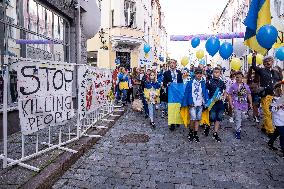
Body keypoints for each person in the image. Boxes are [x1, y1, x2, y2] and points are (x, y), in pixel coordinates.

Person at [252, 54, 283, 137]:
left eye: (269, 60)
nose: (267, 62)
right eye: (265, 61)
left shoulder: (275, 72)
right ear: (263, 63)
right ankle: (270, 131)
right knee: (267, 113)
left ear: (272, 62)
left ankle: (264, 127)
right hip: (265, 95)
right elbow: (254, 66)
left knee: (270, 113)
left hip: (273, 96)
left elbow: (279, 80)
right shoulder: (262, 70)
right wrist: (254, 57)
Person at [183, 68, 208, 142]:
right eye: (197, 73)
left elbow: (205, 93)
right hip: (192, 104)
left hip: (200, 104)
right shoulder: (190, 82)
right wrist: (188, 102)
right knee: (193, 119)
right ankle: (190, 132)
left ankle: (195, 133)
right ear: (195, 74)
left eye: (200, 73)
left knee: (198, 119)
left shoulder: (203, 83)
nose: (199, 75)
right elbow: (187, 93)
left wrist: (206, 102)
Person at [228, 71, 253, 139]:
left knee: (244, 118)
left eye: (239, 77)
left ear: (242, 77)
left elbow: (249, 94)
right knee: (238, 119)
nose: (238, 78)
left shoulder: (245, 86)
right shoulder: (233, 86)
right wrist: (231, 104)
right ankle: (238, 131)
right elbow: (229, 94)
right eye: (237, 77)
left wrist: (250, 103)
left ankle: (236, 120)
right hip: (236, 104)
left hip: (244, 104)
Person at [206, 67, 227, 142]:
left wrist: (224, 98)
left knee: (219, 117)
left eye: (218, 72)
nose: (216, 73)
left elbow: (225, 91)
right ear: (213, 73)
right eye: (215, 72)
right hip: (212, 102)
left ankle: (215, 133)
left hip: (220, 102)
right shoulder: (209, 82)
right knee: (212, 117)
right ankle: (208, 126)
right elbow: (206, 91)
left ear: (220, 73)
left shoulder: (222, 82)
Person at [163, 59, 183, 131]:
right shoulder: (166, 73)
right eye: (170, 63)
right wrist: (168, 83)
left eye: (173, 63)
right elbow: (164, 83)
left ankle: (177, 120)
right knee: (171, 108)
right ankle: (172, 124)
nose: (172, 64)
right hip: (170, 93)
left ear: (175, 64)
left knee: (177, 107)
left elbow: (181, 82)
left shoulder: (179, 72)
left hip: (177, 93)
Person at [267, 84, 284, 158]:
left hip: (283, 118)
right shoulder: (273, 99)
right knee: (283, 135)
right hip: (278, 120)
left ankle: (270, 143)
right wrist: (278, 106)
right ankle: (283, 150)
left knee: (277, 132)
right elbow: (271, 109)